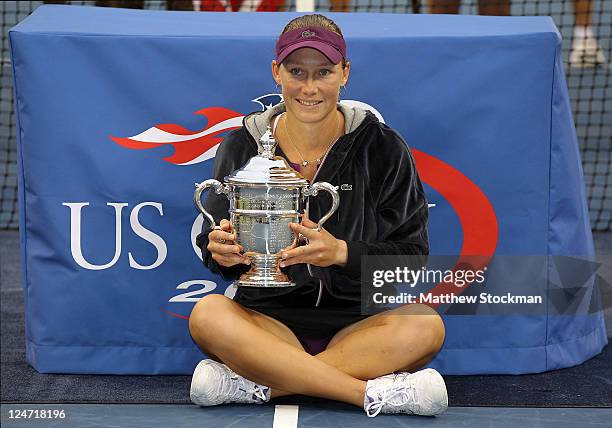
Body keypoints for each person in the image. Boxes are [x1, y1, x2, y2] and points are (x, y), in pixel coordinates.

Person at [188, 14, 448, 418]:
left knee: (426, 325)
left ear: (344, 73)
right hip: (264, 321)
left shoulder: (383, 147)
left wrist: (343, 253)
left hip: (361, 326)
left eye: (323, 72)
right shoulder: (241, 145)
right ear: (277, 72)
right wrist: (219, 252)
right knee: (207, 315)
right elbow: (217, 244)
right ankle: (368, 395)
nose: (309, 87)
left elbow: (412, 257)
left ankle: (259, 387)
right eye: (296, 72)